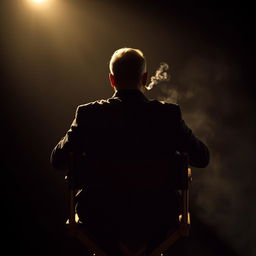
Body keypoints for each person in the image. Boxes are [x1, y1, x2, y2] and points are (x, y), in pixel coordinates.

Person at [50, 47, 210, 255]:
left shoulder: (88, 114)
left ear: (112, 79)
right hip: (156, 219)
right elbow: (202, 157)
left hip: (100, 218)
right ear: (144, 78)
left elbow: (57, 160)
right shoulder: (168, 115)